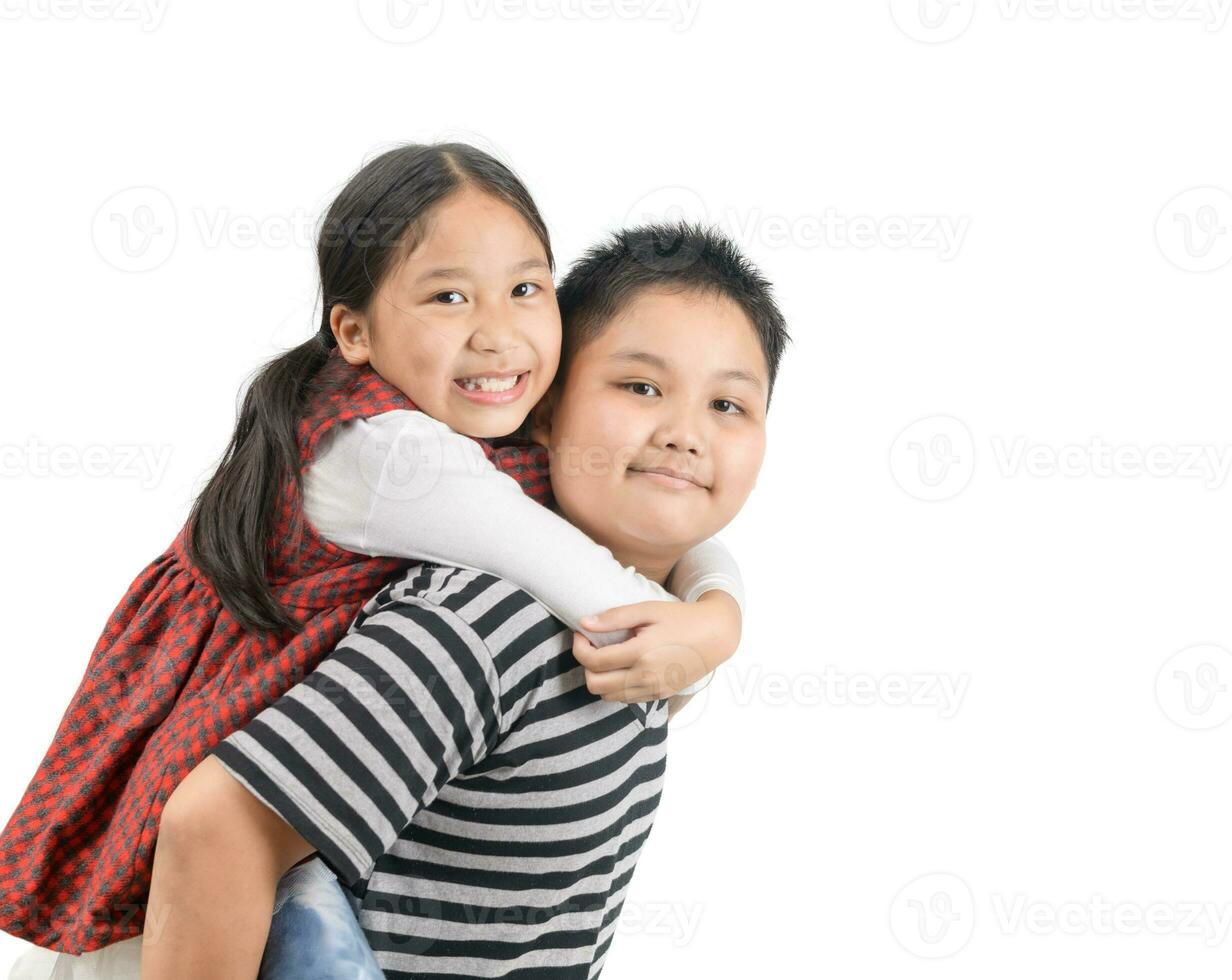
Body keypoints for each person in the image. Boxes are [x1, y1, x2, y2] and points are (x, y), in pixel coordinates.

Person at [0, 145, 746, 971]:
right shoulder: (402, 463)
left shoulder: (480, 448)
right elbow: (604, 600)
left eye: (525, 289)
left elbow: (630, 525)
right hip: (198, 913)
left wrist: (718, 603)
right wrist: (706, 640)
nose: (498, 333)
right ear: (354, 332)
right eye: (448, 296)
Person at [138, 222, 789, 978]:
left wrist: (716, 616)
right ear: (545, 408)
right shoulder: (486, 623)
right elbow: (214, 827)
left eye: (728, 406)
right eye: (640, 387)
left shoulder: (653, 626)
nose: (684, 434)